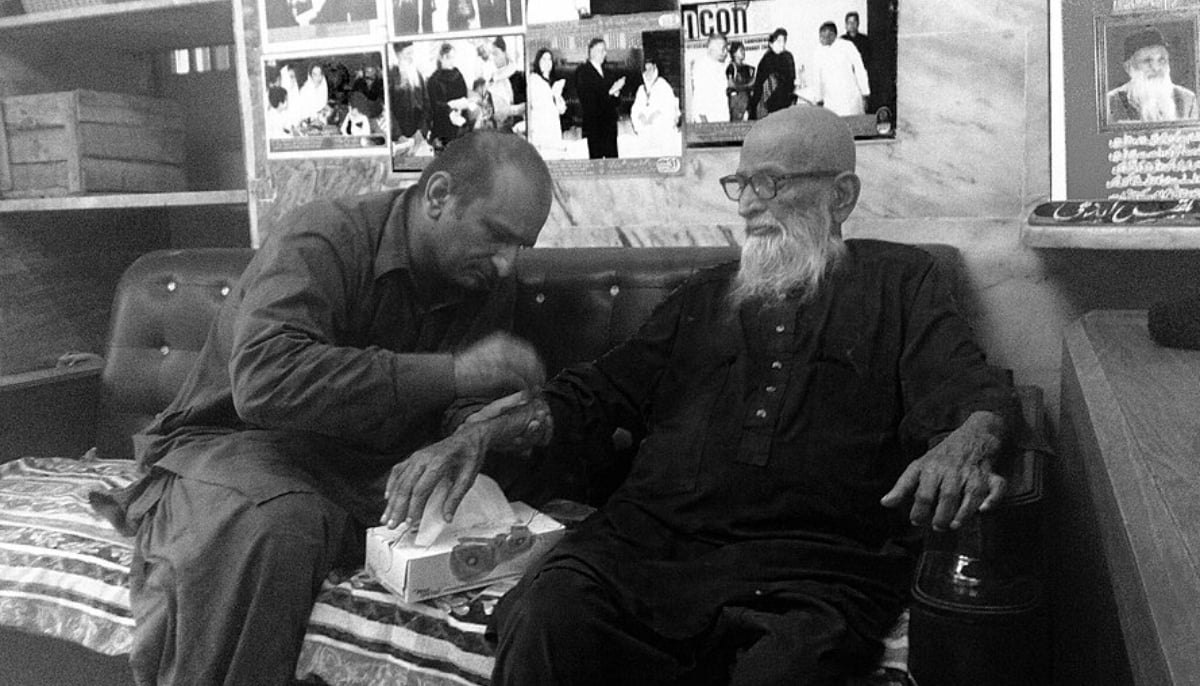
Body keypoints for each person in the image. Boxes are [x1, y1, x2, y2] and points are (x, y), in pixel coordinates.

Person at [390, 106, 1017, 685]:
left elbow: (968, 388)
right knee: (550, 614)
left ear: (841, 195)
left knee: (792, 669)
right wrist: (477, 434)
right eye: (740, 184)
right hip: (652, 543)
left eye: (769, 184)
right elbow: (597, 391)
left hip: (817, 566)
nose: (748, 205)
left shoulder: (902, 284)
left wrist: (966, 441)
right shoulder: (704, 294)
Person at [90, 130, 553, 686]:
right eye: (497, 237)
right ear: (438, 195)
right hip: (236, 446)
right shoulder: (324, 237)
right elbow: (264, 382)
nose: (507, 264)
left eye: (520, 246)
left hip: (362, 468)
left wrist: (491, 426)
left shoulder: (485, 281)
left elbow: (459, 408)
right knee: (277, 526)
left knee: (461, 519)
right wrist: (454, 372)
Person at [1107, 27, 1199, 123]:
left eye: (1162, 60)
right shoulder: (1110, 103)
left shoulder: (1187, 99)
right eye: (1147, 61)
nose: (1156, 68)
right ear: (1128, 67)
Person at [574, 37, 626, 159]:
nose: (605, 53)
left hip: (610, 126)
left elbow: (616, 102)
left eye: (605, 50)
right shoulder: (582, 72)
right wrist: (611, 91)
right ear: (591, 52)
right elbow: (589, 101)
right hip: (595, 127)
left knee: (612, 163)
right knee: (597, 165)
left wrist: (616, 93)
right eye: (601, 50)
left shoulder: (608, 72)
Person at [807, 21, 871, 116]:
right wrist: (818, 98)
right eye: (820, 36)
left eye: (823, 36)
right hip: (831, 101)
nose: (821, 39)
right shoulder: (818, 52)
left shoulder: (847, 46)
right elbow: (817, 77)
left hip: (850, 98)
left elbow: (860, 70)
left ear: (832, 35)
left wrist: (865, 93)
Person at [631, 56, 680, 156]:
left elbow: (670, 108)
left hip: (661, 131)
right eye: (645, 70)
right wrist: (640, 115)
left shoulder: (663, 85)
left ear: (655, 69)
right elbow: (635, 109)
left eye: (650, 69)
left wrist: (655, 115)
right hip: (645, 131)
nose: (648, 73)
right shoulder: (641, 89)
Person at [428, 42, 470, 151]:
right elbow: (434, 104)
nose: (451, 61)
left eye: (452, 57)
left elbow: (464, 95)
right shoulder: (434, 80)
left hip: (459, 123)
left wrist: (460, 108)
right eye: (448, 57)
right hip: (442, 126)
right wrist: (449, 108)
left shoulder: (458, 75)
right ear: (441, 58)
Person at [527, 47, 568, 156]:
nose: (547, 62)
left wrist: (557, 95)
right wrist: (552, 94)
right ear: (538, 62)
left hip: (553, 127)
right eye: (543, 59)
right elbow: (536, 104)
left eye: (549, 59)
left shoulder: (553, 82)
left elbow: (562, 110)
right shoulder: (533, 79)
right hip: (541, 129)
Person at [750, 27, 796, 119]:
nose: (782, 44)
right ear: (771, 43)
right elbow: (760, 85)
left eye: (784, 41)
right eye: (778, 41)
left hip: (785, 100)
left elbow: (791, 78)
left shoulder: (788, 57)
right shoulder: (766, 60)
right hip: (769, 103)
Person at [389, 41, 429, 145]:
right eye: (407, 54)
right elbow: (388, 109)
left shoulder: (417, 75)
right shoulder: (391, 77)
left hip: (419, 136)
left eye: (412, 53)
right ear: (398, 55)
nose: (411, 57)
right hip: (399, 139)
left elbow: (426, 104)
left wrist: (421, 130)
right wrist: (398, 135)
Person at [688, 32, 730, 124]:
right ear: (712, 49)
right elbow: (699, 100)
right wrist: (704, 124)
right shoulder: (702, 67)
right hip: (707, 122)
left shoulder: (723, 66)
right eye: (723, 48)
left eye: (726, 48)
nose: (726, 52)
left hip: (723, 120)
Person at [488, 36, 527, 133]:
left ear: (505, 53)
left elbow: (530, 105)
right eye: (491, 55)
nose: (493, 58)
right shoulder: (492, 80)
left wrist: (509, 111)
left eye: (495, 54)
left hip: (518, 129)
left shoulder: (519, 76)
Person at [841, 10, 874, 111]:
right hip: (847, 77)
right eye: (849, 23)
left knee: (862, 105)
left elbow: (869, 59)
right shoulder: (841, 41)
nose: (852, 25)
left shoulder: (865, 40)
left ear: (858, 24)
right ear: (846, 25)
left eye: (854, 22)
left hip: (861, 75)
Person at [725, 40, 755, 122]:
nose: (743, 52)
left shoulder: (748, 68)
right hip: (737, 102)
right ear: (734, 53)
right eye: (741, 50)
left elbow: (753, 82)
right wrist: (747, 86)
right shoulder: (732, 67)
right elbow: (731, 84)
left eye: (744, 50)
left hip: (748, 101)